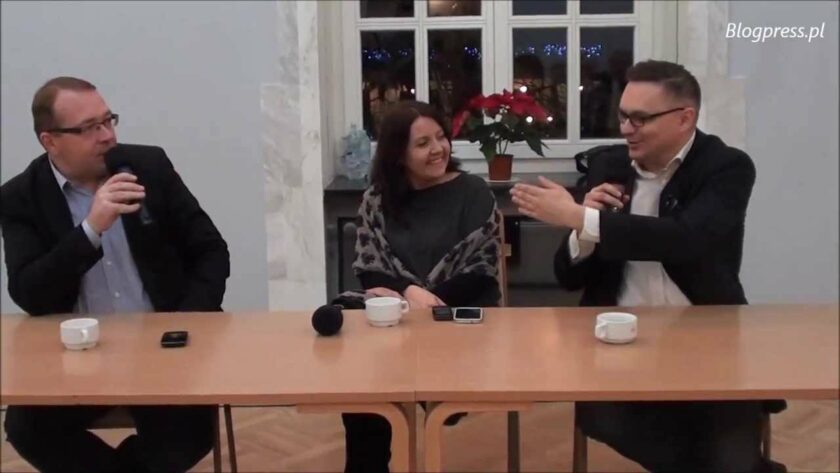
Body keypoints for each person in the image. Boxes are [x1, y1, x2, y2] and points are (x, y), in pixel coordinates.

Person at [510, 60, 784, 472]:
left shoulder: (726, 167)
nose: (626, 129)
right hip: (620, 346)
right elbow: (569, 276)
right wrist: (584, 228)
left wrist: (581, 217)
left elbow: (686, 239)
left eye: (640, 119)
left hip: (709, 340)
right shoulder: (609, 166)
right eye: (622, 116)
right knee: (610, 421)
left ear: (684, 118)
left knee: (730, 454)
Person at [0, 76, 230, 473]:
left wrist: (185, 323)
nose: (107, 136)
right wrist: (91, 230)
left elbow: (210, 250)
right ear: (50, 141)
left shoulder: (148, 167)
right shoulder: (21, 196)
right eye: (90, 128)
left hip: (162, 350)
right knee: (27, 429)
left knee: (189, 433)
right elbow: (29, 291)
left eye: (109, 120)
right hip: (74, 360)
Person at [339, 100, 501, 473]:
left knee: (391, 365)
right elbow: (370, 270)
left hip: (460, 320)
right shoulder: (376, 199)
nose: (438, 149)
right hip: (396, 321)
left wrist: (423, 303)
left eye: (441, 137)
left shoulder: (473, 191)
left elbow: (481, 269)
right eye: (423, 143)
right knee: (361, 372)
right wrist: (411, 294)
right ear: (398, 154)